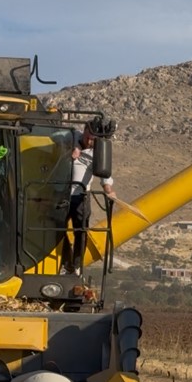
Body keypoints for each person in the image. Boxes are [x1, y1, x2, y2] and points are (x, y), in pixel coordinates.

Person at [61, 117, 116, 275]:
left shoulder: (99, 152)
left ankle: (77, 266)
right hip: (61, 194)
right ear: (84, 131)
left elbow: (105, 175)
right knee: (57, 229)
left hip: (81, 195)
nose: (89, 140)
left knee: (81, 231)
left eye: (93, 139)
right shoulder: (70, 137)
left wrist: (108, 190)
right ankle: (66, 262)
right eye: (87, 136)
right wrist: (72, 150)